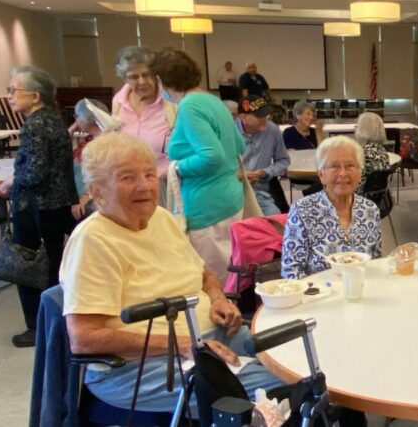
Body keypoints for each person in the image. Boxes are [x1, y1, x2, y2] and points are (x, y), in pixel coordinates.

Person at [61, 132, 282, 414]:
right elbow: (84, 338)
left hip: (206, 336)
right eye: (128, 178)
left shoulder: (161, 219)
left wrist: (218, 300)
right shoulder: (93, 241)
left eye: (150, 174)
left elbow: (203, 275)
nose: (145, 186)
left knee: (293, 360)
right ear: (96, 190)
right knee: (273, 389)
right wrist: (185, 345)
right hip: (136, 366)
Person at [0, 66, 78, 348]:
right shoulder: (52, 120)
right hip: (55, 206)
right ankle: (54, 322)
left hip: (37, 209)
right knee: (52, 266)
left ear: (34, 95)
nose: (9, 97)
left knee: (30, 269)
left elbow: (34, 174)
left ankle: (37, 326)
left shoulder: (35, 125)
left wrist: (9, 185)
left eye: (13, 91)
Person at [153, 49, 245, 286]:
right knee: (229, 275)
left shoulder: (190, 106)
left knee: (211, 283)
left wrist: (174, 168)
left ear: (162, 80)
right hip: (230, 199)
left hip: (206, 203)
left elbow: (212, 156)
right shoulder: (213, 101)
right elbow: (239, 145)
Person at [281, 136, 382, 279]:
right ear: (321, 174)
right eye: (334, 166)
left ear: (360, 173)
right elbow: (290, 272)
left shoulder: (370, 210)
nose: (343, 173)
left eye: (350, 166)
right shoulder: (303, 210)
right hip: (319, 296)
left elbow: (376, 262)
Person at [111, 46, 175, 198]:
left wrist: (165, 173)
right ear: (125, 78)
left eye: (147, 75)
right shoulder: (118, 102)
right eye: (134, 77)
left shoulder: (171, 103)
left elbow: (185, 145)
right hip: (129, 185)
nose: (142, 82)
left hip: (165, 184)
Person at [237, 95, 290, 216]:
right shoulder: (228, 131)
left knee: (275, 219)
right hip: (233, 193)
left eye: (266, 115)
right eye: (259, 116)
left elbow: (283, 161)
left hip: (259, 193)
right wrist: (238, 175)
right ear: (243, 117)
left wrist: (265, 172)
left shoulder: (272, 130)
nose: (264, 119)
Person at [71, 98, 109, 220]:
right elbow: (60, 144)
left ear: (85, 118)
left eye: (76, 116)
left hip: (93, 195)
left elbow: (100, 173)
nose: (75, 121)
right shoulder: (93, 137)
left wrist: (86, 196)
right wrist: (74, 126)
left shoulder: (101, 142)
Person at [353, 112, 391, 196]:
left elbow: (357, 187)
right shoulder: (382, 150)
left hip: (361, 200)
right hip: (379, 198)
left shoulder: (363, 154)